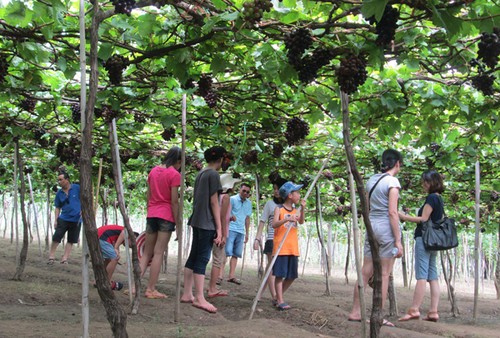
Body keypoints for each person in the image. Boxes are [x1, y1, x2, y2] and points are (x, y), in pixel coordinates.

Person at [348, 149, 404, 327]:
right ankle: (378, 315)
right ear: (397, 164)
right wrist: (397, 240)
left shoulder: (372, 180)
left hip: (371, 227)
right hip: (386, 229)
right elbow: (392, 212)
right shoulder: (392, 182)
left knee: (365, 272)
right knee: (385, 273)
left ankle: (356, 311)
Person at [180, 146, 226, 313]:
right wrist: (219, 229)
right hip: (207, 222)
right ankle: (199, 298)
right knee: (202, 258)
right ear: (220, 159)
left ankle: (187, 293)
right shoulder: (214, 175)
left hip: (197, 220)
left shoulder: (201, 174)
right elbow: (214, 202)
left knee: (193, 256)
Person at [398, 170, 444, 322]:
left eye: (425, 181)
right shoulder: (439, 198)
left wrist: (404, 217)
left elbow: (423, 219)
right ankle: (433, 312)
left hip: (424, 239)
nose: (423, 184)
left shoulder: (431, 197)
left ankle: (414, 309)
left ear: (432, 182)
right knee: (433, 275)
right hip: (434, 241)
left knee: (422, 275)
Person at [139, 146, 182, 299]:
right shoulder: (174, 174)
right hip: (165, 216)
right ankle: (150, 289)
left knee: (147, 253)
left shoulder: (153, 171)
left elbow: (148, 195)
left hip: (152, 214)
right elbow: (174, 201)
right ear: (178, 161)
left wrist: (149, 211)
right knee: (158, 253)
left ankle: (134, 286)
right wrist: (178, 223)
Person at [271, 181, 306, 311]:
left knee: (291, 276)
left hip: (293, 248)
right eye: (297, 193)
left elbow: (301, 221)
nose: (299, 195)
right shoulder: (279, 209)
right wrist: (287, 219)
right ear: (290, 195)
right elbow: (274, 224)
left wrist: (302, 209)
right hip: (281, 247)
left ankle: (276, 297)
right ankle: (280, 300)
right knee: (279, 275)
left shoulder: (296, 210)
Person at [253, 176, 287, 305]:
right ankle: (275, 297)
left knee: (271, 269)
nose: (275, 191)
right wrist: (257, 238)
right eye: (274, 189)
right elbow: (262, 222)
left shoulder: (288, 205)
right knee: (272, 269)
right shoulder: (270, 204)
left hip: (283, 241)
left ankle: (261, 294)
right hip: (272, 239)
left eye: (278, 189)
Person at [207, 173, 241, 298]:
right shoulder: (225, 197)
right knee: (218, 260)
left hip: (212, 228)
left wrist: (229, 218)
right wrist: (223, 234)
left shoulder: (215, 196)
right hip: (220, 231)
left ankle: (210, 286)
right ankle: (213, 288)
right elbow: (222, 216)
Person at [48, 172, 81, 265]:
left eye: (61, 180)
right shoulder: (59, 193)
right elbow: (57, 207)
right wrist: (56, 219)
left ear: (67, 180)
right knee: (57, 236)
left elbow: (85, 199)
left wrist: (84, 210)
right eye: (58, 180)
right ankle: (51, 255)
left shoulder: (77, 188)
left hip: (76, 219)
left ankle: (65, 258)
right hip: (64, 218)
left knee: (71, 239)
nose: (59, 182)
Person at [225, 183, 253, 285]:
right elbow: (225, 211)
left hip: (240, 231)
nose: (245, 193)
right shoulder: (232, 199)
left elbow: (247, 218)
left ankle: (231, 276)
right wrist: (230, 216)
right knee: (226, 252)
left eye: (247, 192)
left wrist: (247, 233)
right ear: (239, 190)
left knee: (236, 254)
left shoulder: (249, 203)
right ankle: (219, 275)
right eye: (243, 191)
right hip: (231, 229)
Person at [97, 224, 139, 291]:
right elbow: (123, 232)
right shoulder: (127, 231)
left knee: (108, 259)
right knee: (114, 258)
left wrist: (116, 249)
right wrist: (116, 248)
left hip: (100, 236)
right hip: (102, 237)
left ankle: (99, 280)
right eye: (131, 245)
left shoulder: (119, 236)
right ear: (132, 237)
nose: (129, 247)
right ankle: (106, 282)